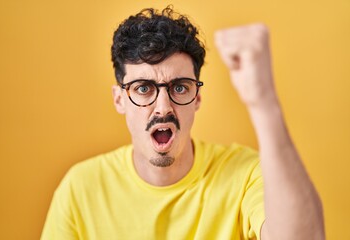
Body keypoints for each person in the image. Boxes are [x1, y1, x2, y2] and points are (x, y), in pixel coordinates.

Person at [41, 6, 325, 240]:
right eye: (143, 88)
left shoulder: (246, 174)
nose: (163, 108)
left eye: (179, 87)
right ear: (119, 99)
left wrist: (264, 101)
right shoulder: (80, 188)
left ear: (197, 97)